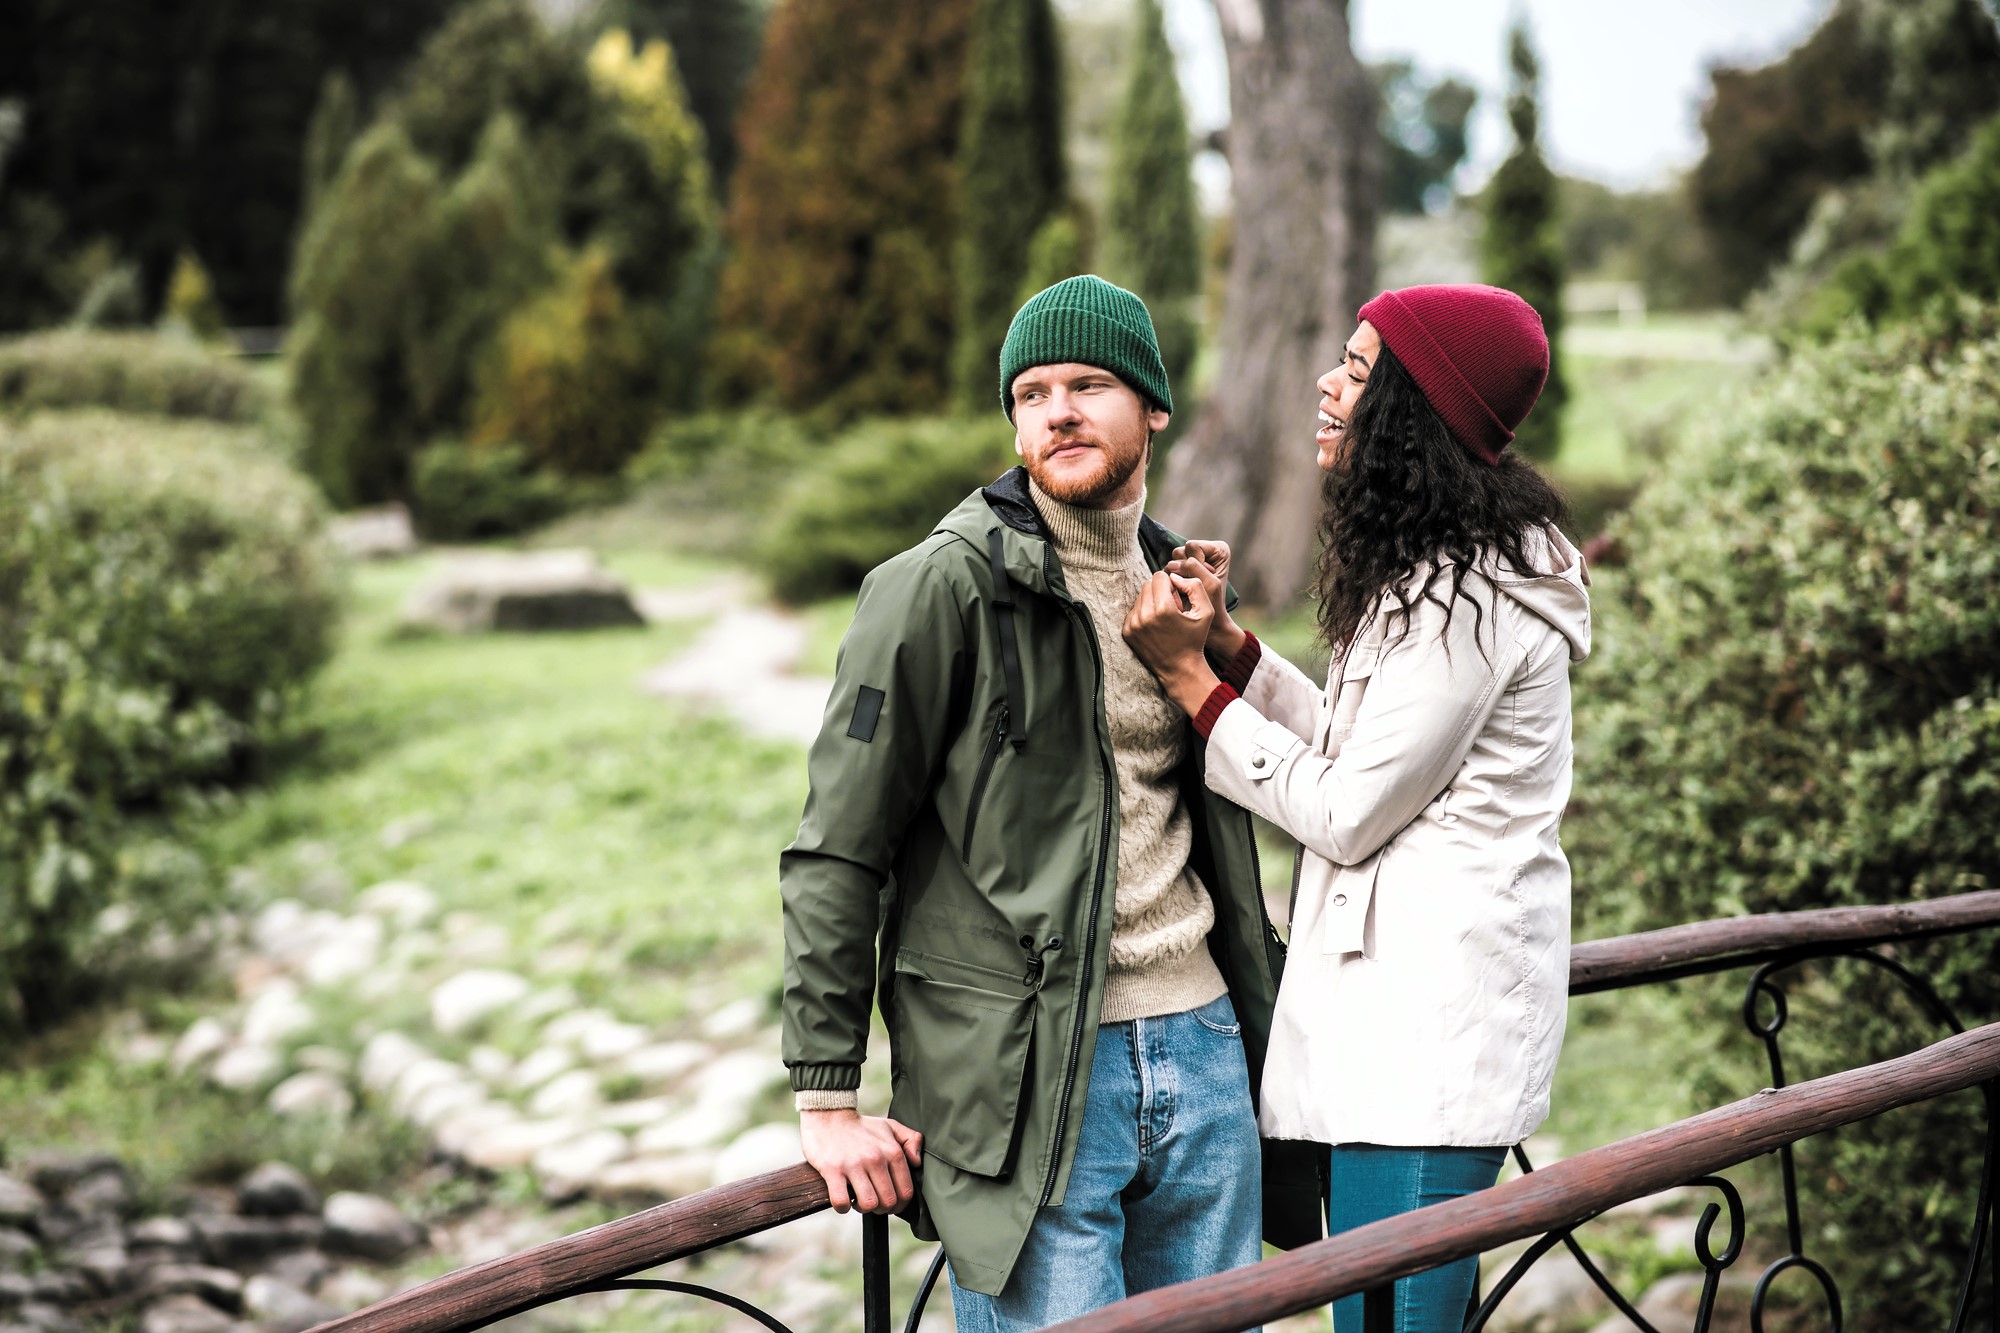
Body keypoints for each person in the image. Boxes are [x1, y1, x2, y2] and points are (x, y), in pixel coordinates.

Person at [779, 275, 1309, 1330]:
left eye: (1088, 384)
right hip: (1028, 1081)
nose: (1056, 410)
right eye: (1029, 392)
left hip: (1204, 1050)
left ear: (1152, 408)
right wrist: (827, 1095)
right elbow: (838, 846)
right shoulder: (937, 589)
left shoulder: (1180, 589)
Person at [1123, 283, 1591, 1333]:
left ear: (1412, 409)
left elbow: (1341, 808)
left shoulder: (1470, 600)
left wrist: (1189, 686)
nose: (1326, 387)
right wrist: (1237, 655)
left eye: (1355, 370)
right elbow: (1360, 736)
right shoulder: (1437, 570)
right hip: (1394, 1035)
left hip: (1427, 1048)